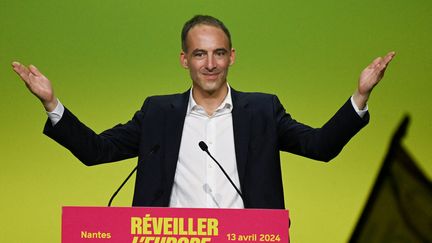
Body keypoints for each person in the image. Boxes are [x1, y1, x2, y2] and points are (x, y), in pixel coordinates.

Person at [12, 15, 395, 209]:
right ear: (184, 60)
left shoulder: (263, 110)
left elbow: (320, 146)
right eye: (199, 53)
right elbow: (97, 151)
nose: (209, 64)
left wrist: (359, 96)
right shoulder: (158, 113)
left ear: (232, 57)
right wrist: (50, 103)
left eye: (218, 53)